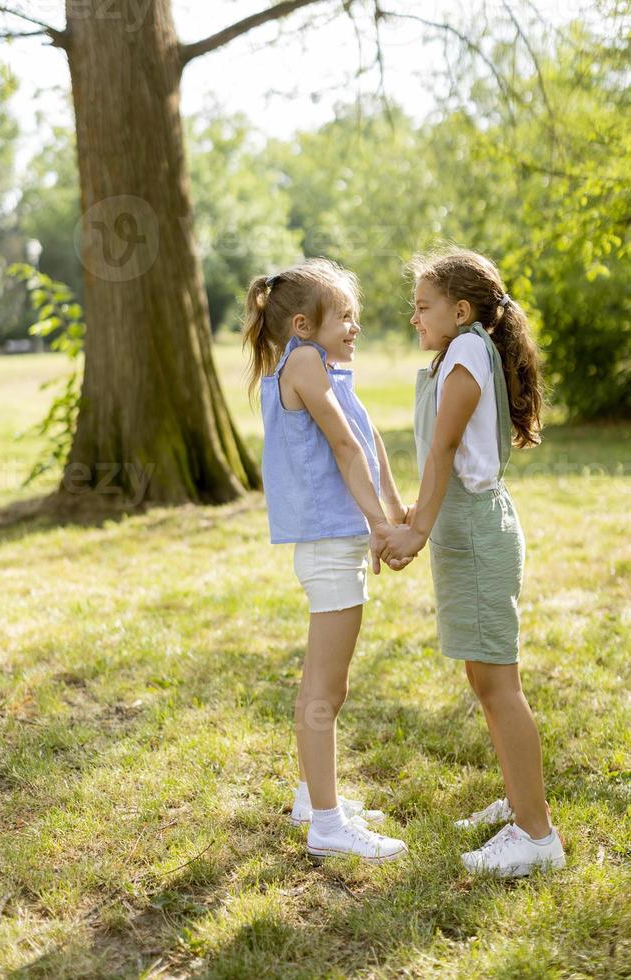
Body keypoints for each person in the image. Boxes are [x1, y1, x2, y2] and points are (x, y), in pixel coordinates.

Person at [377, 248, 566, 878]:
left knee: (498, 682)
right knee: (483, 678)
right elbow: (447, 459)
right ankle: (519, 802)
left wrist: (418, 530)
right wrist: (415, 512)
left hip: (477, 535)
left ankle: (537, 836)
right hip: (466, 528)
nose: (414, 317)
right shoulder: (464, 350)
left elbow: (446, 449)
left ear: (460, 310)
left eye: (423, 306)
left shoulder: (464, 352)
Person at [243, 258, 410, 863]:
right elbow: (342, 446)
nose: (355, 326)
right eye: (344, 316)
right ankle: (328, 826)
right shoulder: (306, 361)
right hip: (328, 542)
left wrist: (393, 510)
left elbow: (367, 441)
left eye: (355, 316)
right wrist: (379, 525)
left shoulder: (328, 367)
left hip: (338, 540)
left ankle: (313, 800)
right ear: (301, 324)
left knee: (328, 684)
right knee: (323, 688)